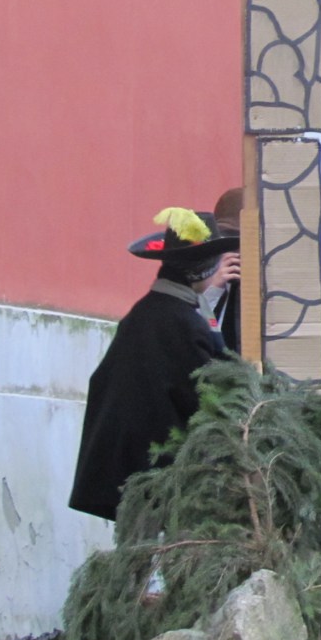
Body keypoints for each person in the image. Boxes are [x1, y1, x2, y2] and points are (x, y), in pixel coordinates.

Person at [69, 207, 240, 522]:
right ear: (203, 269)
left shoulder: (149, 312)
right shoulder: (182, 323)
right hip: (158, 478)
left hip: (132, 475)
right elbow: (209, 398)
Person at [205, 187, 244, 354]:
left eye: (237, 241)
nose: (230, 250)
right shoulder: (207, 278)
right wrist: (214, 290)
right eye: (223, 240)